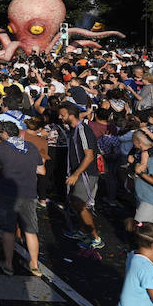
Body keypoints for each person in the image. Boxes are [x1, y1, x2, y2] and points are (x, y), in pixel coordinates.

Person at [0, 120, 44, 277]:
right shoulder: (31, 146)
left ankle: (8, 265)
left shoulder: (2, 147)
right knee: (30, 231)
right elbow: (42, 170)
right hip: (29, 193)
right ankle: (34, 264)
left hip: (8, 194)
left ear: (5, 134)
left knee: (8, 230)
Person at [59, 102, 104, 249]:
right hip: (79, 172)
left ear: (71, 115)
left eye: (62, 114)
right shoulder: (74, 129)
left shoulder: (82, 130)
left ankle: (95, 238)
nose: (60, 117)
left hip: (86, 173)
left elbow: (89, 155)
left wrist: (75, 174)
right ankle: (83, 231)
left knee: (80, 204)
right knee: (76, 203)